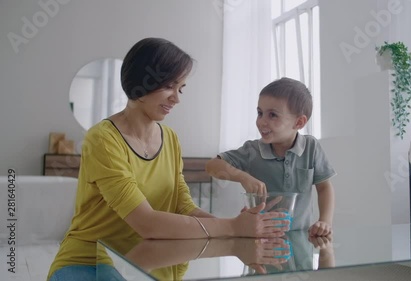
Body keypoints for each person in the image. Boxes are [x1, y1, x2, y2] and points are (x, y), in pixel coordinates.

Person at [47, 38, 288, 281]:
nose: (177, 98)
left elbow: (183, 207)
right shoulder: (102, 139)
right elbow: (147, 223)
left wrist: (240, 229)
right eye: (169, 86)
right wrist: (233, 227)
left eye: (181, 88)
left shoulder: (170, 139)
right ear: (141, 82)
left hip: (150, 257)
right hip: (88, 260)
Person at [206, 77, 336, 237]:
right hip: (260, 240)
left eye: (272, 115)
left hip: (300, 240)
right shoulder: (252, 150)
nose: (262, 122)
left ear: (299, 123)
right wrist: (243, 177)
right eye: (260, 113)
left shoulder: (311, 147)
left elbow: (324, 188)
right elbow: (212, 166)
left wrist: (325, 221)